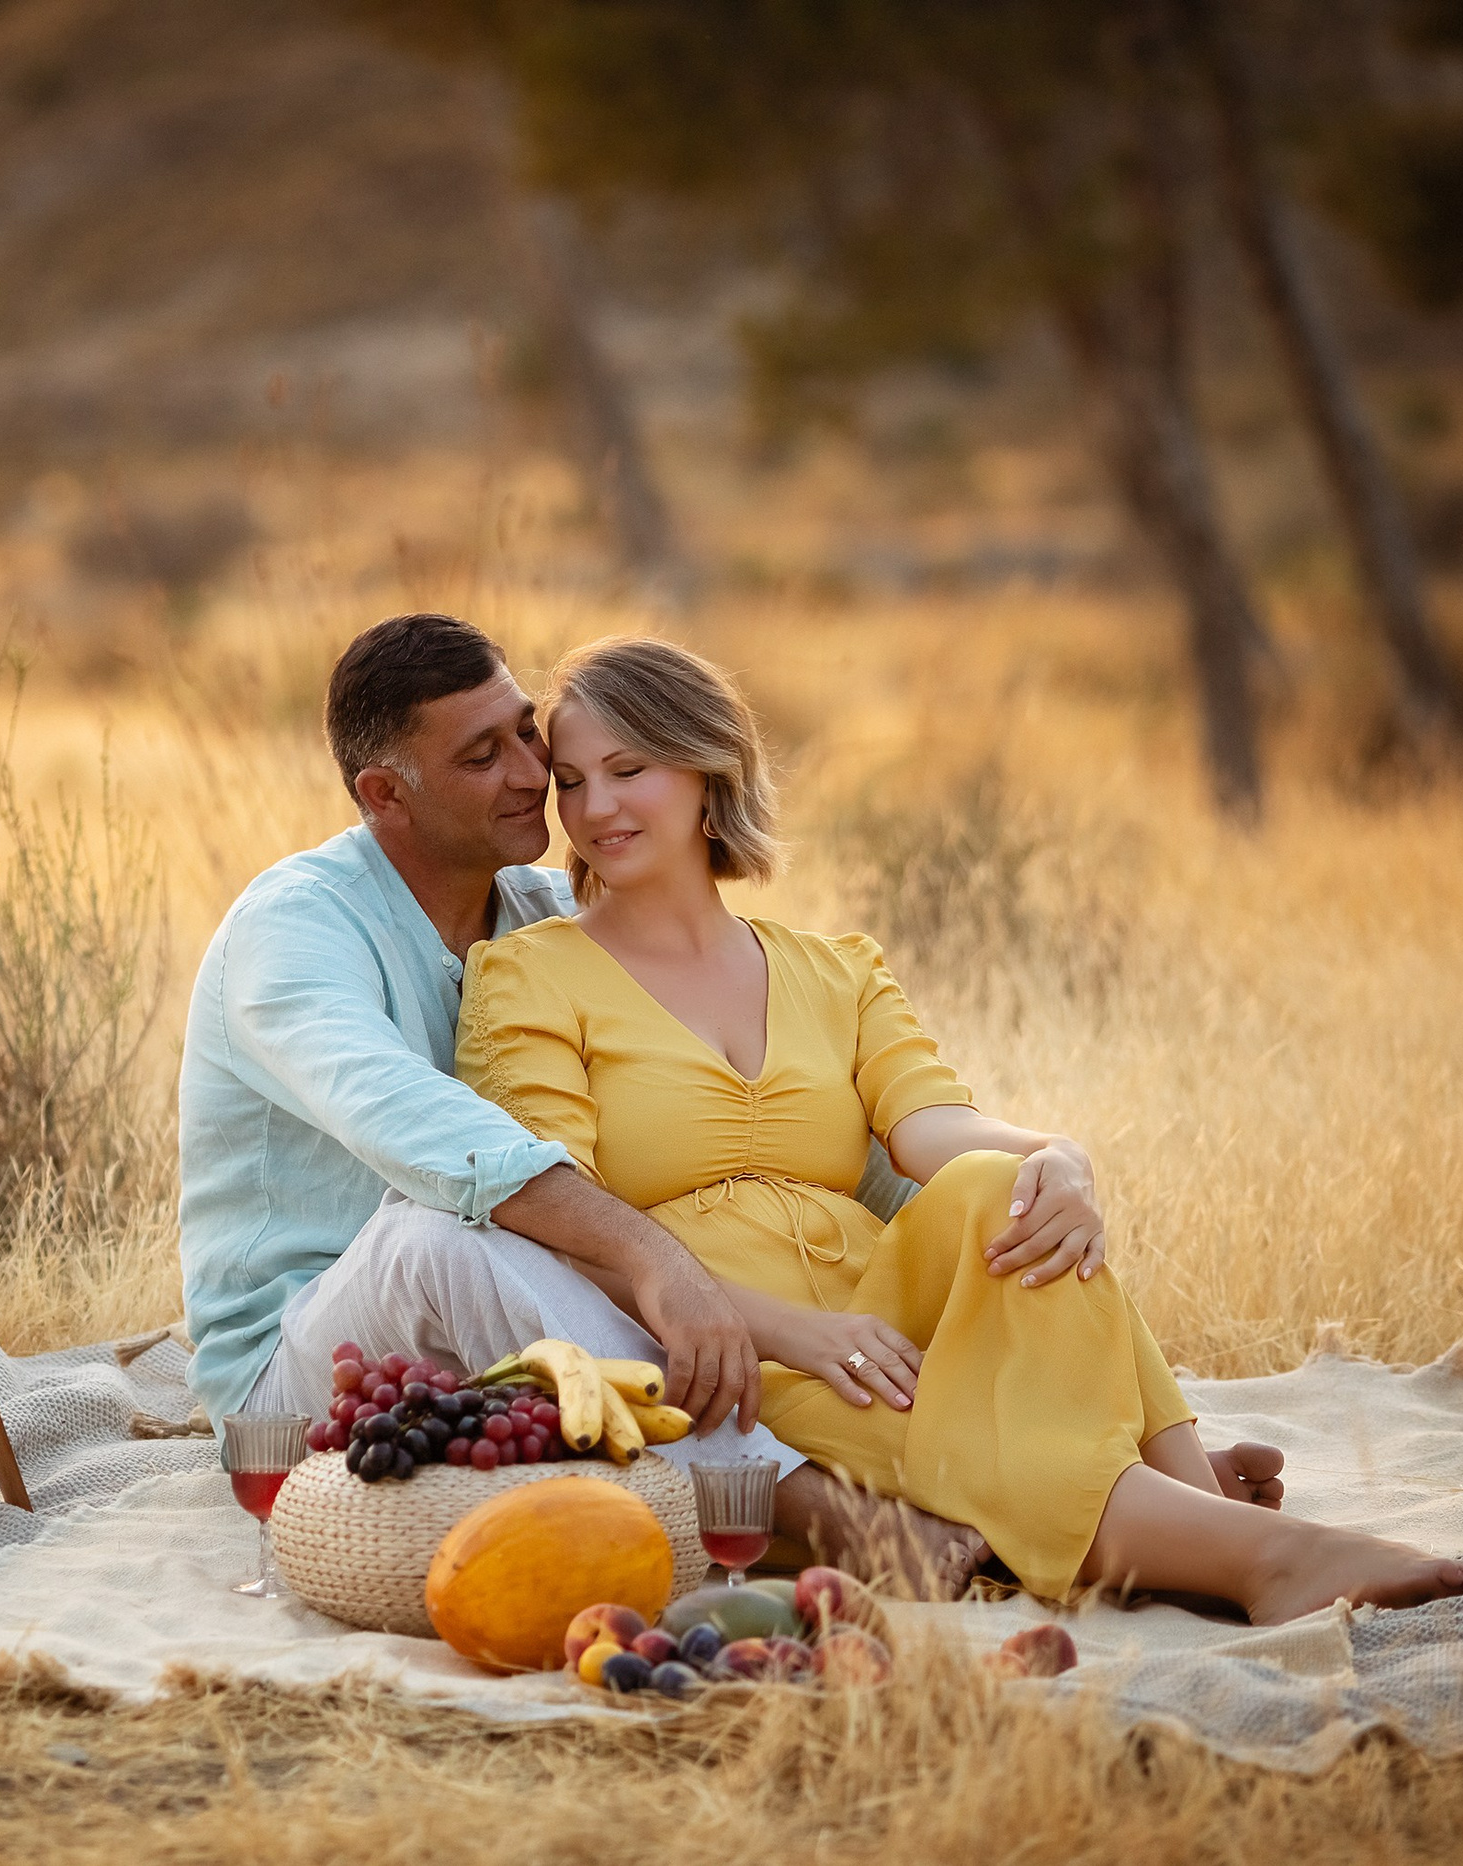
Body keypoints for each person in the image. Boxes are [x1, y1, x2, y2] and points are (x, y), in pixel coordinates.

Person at [456, 635, 1463, 1622]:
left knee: (999, 1194)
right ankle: (1252, 1548)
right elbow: (572, 1229)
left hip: (893, 1314)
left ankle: (1195, 1514)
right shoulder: (528, 976)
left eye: (629, 768)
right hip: (731, 1346)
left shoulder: (838, 969)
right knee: (985, 1437)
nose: (594, 808)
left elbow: (935, 1131)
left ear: (706, 772)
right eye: (571, 780)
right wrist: (801, 1335)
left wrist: (1060, 1160)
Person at [180, 613, 990, 1593]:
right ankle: (801, 1507)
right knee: (439, 1234)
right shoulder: (294, 930)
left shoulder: (546, 917)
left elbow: (768, 1124)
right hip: (306, 1373)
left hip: (522, 1348)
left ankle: (1045, 1470)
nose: (536, 774)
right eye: (484, 755)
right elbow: (419, 1127)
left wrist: (958, 1214)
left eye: (526, 731)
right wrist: (658, 1263)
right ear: (386, 795)